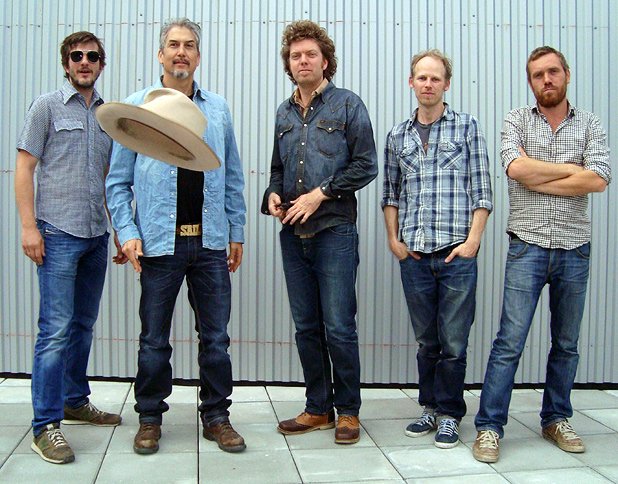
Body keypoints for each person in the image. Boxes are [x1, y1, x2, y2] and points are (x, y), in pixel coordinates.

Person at [105, 18, 247, 455]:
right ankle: (149, 418)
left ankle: (217, 417)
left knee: (216, 339)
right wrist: (127, 232)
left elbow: (232, 175)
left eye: (188, 45)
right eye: (172, 45)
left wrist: (236, 230)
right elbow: (117, 182)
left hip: (209, 242)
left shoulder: (217, 109)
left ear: (198, 56)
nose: (180, 52)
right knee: (154, 339)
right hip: (158, 244)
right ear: (160, 54)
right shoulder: (137, 108)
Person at [473, 46, 611, 463]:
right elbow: (516, 169)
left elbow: (599, 179)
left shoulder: (590, 123)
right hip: (527, 246)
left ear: (566, 74)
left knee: (566, 343)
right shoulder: (516, 119)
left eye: (553, 72)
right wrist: (572, 170)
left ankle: (556, 418)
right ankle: (490, 426)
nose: (546, 80)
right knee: (509, 341)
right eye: (538, 74)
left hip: (575, 247)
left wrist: (541, 176)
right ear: (530, 81)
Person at [261, 20, 378, 445]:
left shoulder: (348, 105)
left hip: (334, 232)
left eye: (311, 54)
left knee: (339, 326)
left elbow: (366, 165)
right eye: (296, 56)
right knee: (306, 327)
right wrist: (273, 194)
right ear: (288, 64)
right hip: (293, 235)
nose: (303, 61)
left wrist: (320, 194)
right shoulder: (283, 112)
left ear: (325, 61)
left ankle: (348, 412)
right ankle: (318, 409)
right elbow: (277, 168)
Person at [15, 31, 123, 465]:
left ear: (101, 64)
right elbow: (24, 167)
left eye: (92, 56)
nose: (84, 62)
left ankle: (75, 400)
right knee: (55, 330)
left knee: (83, 325)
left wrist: (119, 230)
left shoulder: (108, 115)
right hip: (57, 233)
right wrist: (29, 227)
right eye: (76, 56)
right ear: (66, 64)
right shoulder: (46, 107)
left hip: (96, 235)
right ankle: (45, 426)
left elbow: (111, 179)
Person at [382, 49, 493, 449]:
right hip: (414, 256)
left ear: (446, 84)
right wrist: (394, 241)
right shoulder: (397, 136)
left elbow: (482, 190)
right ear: (411, 83)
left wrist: (473, 241)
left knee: (454, 343)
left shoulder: (466, 127)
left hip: (455, 255)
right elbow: (390, 194)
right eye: (422, 78)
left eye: (435, 78)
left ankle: (450, 414)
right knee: (427, 341)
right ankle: (428, 407)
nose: (428, 84)